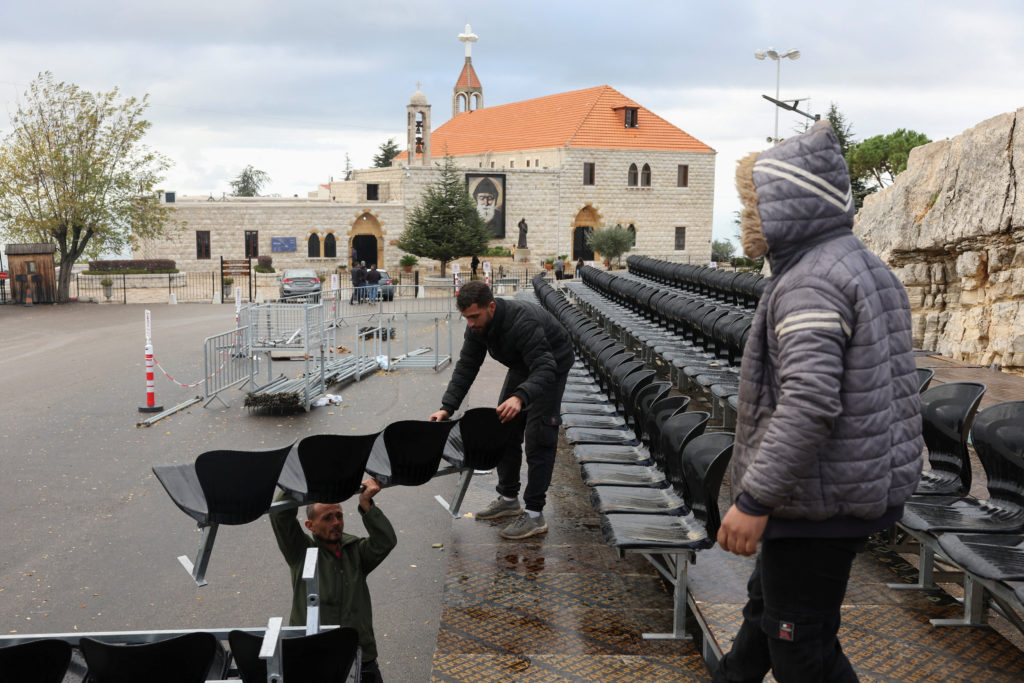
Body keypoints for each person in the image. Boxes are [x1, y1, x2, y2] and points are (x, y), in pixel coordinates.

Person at [712, 120, 922, 682]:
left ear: (787, 203)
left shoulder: (812, 282)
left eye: (752, 203)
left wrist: (754, 500)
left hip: (817, 499)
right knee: (764, 621)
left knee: (799, 646)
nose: (745, 217)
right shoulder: (859, 264)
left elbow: (810, 403)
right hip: (844, 487)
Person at [429, 280, 573, 539]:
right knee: (504, 427)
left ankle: (534, 515)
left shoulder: (522, 322)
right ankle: (508, 498)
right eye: (466, 318)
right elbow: (467, 365)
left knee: (540, 436)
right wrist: (447, 407)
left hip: (552, 362)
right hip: (523, 364)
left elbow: (545, 367)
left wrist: (521, 397)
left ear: (491, 307)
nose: (471, 323)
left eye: (475, 316)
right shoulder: (476, 328)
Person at [270, 478, 397, 683]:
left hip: (360, 655)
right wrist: (302, 480)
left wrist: (367, 505)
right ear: (310, 525)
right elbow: (280, 515)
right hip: (313, 657)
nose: (336, 522)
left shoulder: (356, 552)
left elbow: (386, 541)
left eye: (338, 515)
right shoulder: (301, 553)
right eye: (327, 518)